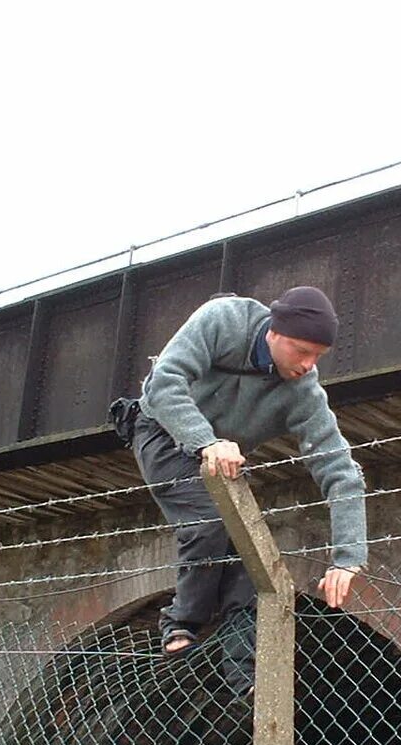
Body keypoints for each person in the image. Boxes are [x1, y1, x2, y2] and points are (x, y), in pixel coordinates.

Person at [110, 286, 367, 698]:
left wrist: (348, 558)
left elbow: (341, 470)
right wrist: (205, 442)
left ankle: (244, 675)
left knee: (252, 551)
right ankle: (181, 621)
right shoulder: (224, 320)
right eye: (302, 351)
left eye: (318, 356)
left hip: (219, 459)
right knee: (209, 523)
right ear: (273, 333)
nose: (308, 365)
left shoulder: (304, 394)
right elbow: (164, 383)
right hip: (161, 431)